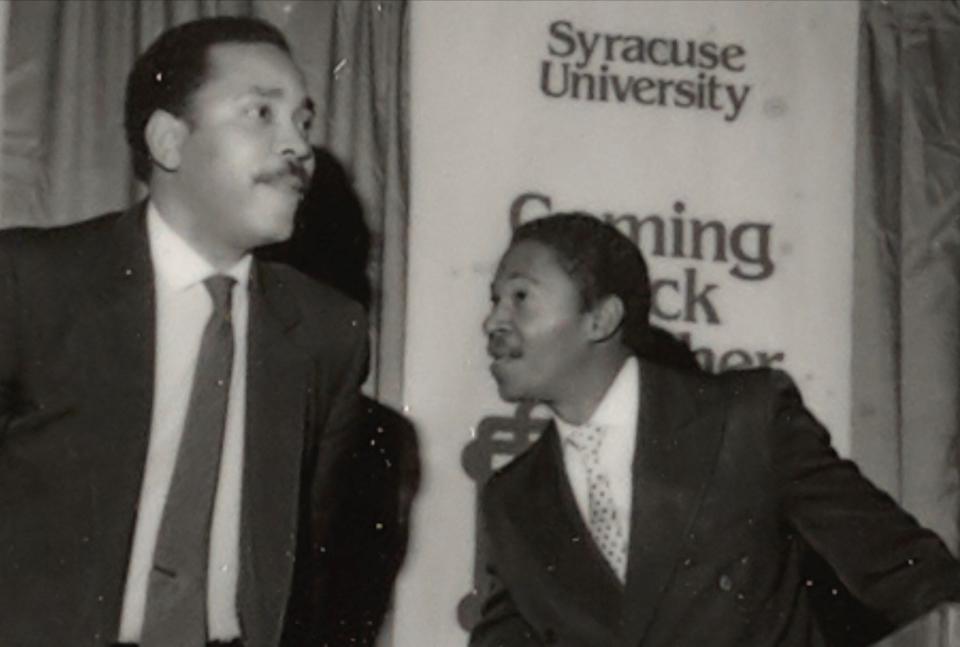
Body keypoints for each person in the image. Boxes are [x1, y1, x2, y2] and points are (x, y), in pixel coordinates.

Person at [0, 17, 370, 647]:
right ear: (169, 141)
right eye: (261, 113)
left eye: (303, 121)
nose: (298, 147)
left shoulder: (328, 334)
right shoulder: (29, 284)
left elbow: (307, 569)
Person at [471, 212, 960, 647]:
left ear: (601, 318)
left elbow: (907, 572)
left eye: (520, 296)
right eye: (494, 300)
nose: (493, 320)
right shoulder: (510, 499)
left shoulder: (747, 419)